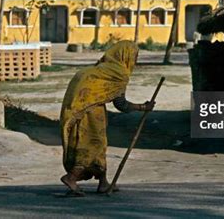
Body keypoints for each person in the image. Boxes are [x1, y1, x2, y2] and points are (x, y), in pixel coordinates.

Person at [59, 40, 155, 196]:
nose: (135, 60)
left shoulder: (97, 69)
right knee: (93, 147)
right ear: (126, 55)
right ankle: (71, 178)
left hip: (81, 112)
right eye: (135, 56)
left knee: (96, 145)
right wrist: (143, 107)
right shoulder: (118, 73)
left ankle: (103, 183)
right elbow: (121, 104)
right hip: (89, 115)